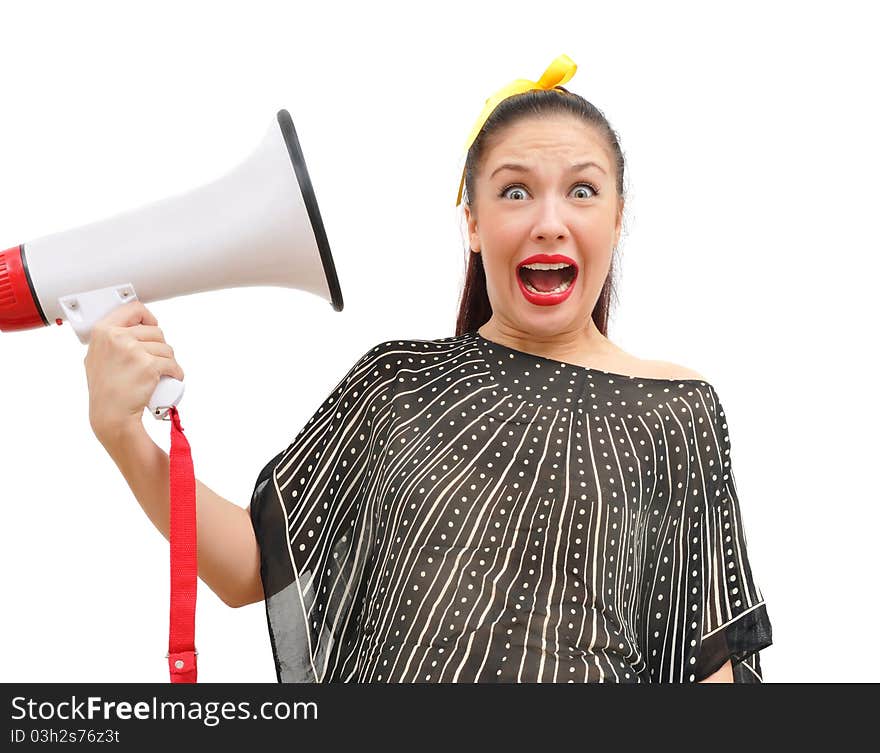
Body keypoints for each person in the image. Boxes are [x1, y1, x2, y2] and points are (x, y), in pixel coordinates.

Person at [86, 55, 772, 684]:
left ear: (618, 219)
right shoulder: (394, 383)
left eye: (583, 192)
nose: (550, 222)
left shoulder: (677, 409)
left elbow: (709, 654)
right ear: (472, 223)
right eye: (514, 193)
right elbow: (251, 567)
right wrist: (125, 434)